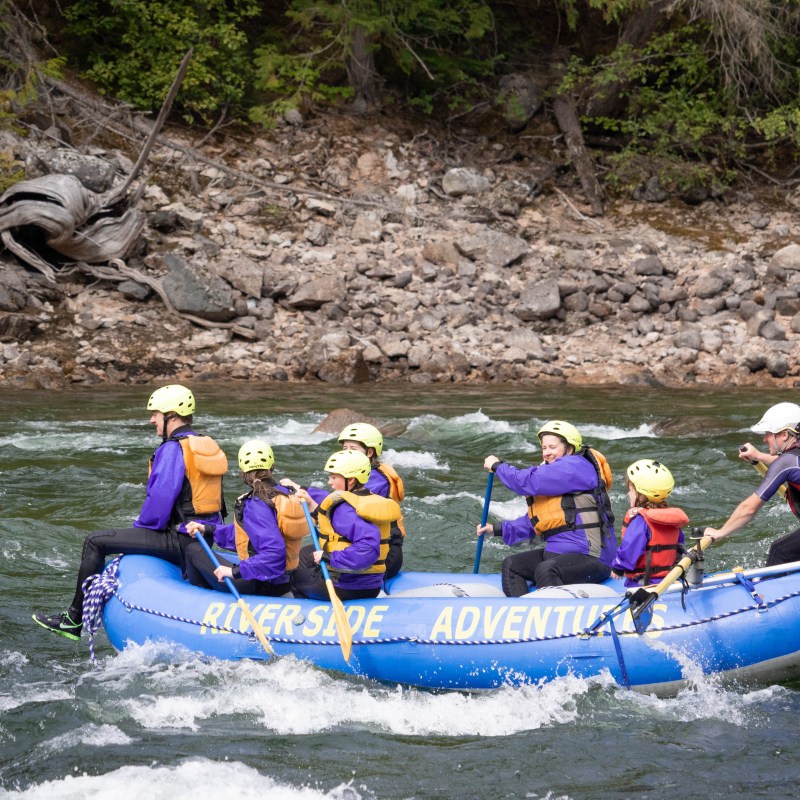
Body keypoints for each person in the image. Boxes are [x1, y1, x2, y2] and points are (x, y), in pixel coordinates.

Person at [33, 384, 228, 640]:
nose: (152, 420)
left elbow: (159, 504)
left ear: (171, 415)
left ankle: (74, 619)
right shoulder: (204, 443)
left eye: (156, 414)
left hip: (179, 539)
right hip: (203, 537)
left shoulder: (172, 449)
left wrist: (138, 533)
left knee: (95, 542)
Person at [477, 420, 617, 596]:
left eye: (552, 447)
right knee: (512, 565)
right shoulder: (557, 477)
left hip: (592, 556)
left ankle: (552, 616)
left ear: (570, 448)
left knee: (546, 570)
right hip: (559, 554)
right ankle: (522, 614)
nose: (547, 453)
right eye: (544, 448)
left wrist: (497, 466)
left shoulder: (575, 467)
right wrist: (497, 530)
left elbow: (526, 482)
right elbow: (539, 520)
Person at [184, 439, 307, 597]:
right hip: (284, 582)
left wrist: (234, 571)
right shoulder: (286, 494)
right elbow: (251, 535)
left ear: (242, 472)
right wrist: (209, 529)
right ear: (272, 467)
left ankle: (200, 603)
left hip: (260, 584)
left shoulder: (257, 502)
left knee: (193, 549)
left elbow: (274, 553)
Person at [289, 450, 401, 601]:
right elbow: (338, 526)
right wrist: (310, 504)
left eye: (334, 477)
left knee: (294, 578)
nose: (330, 482)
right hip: (372, 586)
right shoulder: (368, 500)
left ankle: (306, 617)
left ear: (352, 480)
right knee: (305, 558)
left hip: (345, 587)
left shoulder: (345, 508)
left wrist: (329, 556)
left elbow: (368, 547)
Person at [705, 402, 800, 566]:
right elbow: (790, 466)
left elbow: (749, 508)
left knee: (780, 551)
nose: (764, 438)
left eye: (768, 433)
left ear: (784, 435)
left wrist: (720, 533)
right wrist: (759, 456)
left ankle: (770, 591)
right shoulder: (791, 460)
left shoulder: (787, 462)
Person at [337, 422, 407, 578]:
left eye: (353, 449)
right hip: (368, 552)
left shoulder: (375, 479)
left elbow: (347, 506)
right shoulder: (352, 476)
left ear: (369, 452)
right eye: (344, 449)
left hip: (384, 558)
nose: (346, 454)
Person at [610, 459, 688, 587]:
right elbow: (680, 546)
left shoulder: (640, 520)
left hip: (643, 584)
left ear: (640, 496)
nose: (629, 493)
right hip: (668, 581)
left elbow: (630, 548)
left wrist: (618, 567)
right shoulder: (670, 520)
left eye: (631, 490)